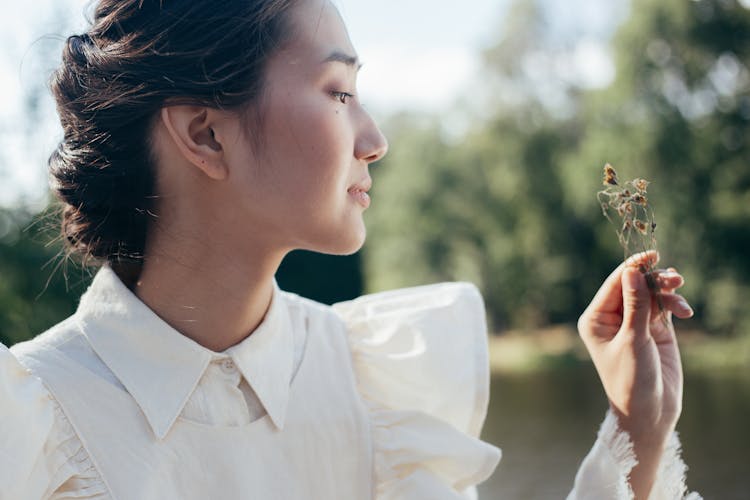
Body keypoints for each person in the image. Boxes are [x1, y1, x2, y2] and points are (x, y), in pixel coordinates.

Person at [0, 0, 699, 498]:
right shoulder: (30, 437)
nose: (376, 138)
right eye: (338, 91)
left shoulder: (373, 387)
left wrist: (638, 428)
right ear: (206, 135)